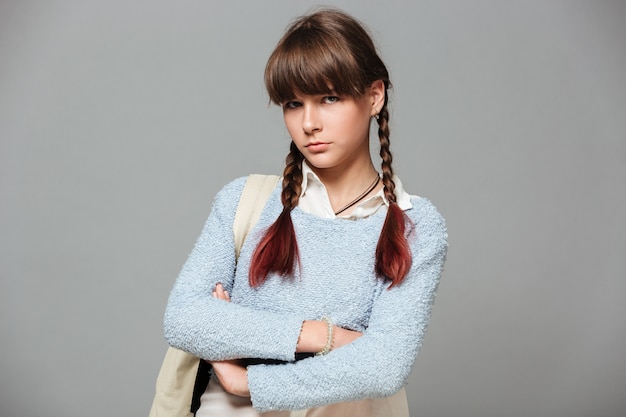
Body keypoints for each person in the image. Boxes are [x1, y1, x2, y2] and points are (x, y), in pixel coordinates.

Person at [163, 8, 448, 416]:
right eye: (293, 103)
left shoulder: (415, 225)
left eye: (329, 98)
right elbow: (183, 318)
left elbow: (385, 366)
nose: (308, 123)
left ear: (375, 96)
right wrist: (325, 336)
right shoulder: (245, 201)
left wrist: (248, 378)